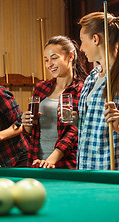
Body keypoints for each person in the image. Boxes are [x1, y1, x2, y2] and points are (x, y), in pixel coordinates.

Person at [75, 12, 119, 170]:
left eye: (82, 41)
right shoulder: (92, 77)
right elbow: (90, 123)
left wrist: (118, 126)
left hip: (111, 171)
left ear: (95, 39)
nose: (81, 48)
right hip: (85, 169)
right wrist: (75, 118)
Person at [22, 36, 87, 169]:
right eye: (46, 60)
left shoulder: (83, 89)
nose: (49, 64)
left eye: (54, 58)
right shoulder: (41, 88)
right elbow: (30, 130)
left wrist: (52, 159)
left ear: (70, 56)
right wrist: (26, 123)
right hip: (36, 162)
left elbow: (74, 131)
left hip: (67, 164)